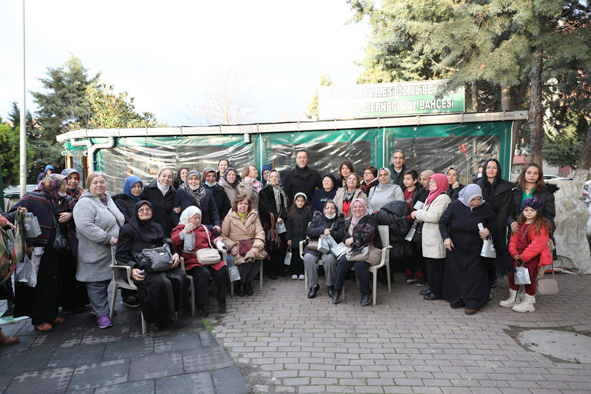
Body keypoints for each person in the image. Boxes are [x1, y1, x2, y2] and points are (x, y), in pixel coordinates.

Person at [11, 174, 77, 332]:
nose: (65, 187)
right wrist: (27, 240)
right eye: (62, 184)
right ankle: (38, 319)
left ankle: (51, 314)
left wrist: (71, 215)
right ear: (53, 185)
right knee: (39, 284)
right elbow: (14, 214)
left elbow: (73, 212)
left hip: (55, 249)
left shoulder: (59, 200)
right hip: (38, 250)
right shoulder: (33, 197)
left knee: (54, 283)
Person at [116, 201, 191, 329]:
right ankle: (159, 320)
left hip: (163, 263)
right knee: (159, 284)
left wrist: (175, 253)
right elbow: (121, 254)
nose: (145, 212)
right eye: (141, 210)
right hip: (143, 267)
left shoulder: (156, 226)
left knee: (181, 278)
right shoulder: (127, 229)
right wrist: (132, 268)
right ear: (136, 212)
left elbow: (166, 242)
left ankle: (175, 314)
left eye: (148, 209)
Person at [73, 172, 125, 329]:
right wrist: (106, 238)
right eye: (95, 182)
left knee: (107, 280)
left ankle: (101, 308)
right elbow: (85, 226)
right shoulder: (84, 204)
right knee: (96, 283)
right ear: (89, 185)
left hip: (112, 250)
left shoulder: (107, 199)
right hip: (95, 250)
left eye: (102, 182)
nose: (99, 185)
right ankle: (102, 314)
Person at [440, 184, 494, 315]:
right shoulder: (455, 205)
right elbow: (443, 222)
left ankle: (473, 301)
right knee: (456, 273)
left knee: (474, 274)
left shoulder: (485, 207)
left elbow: (493, 222)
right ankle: (459, 297)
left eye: (478, 199)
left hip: (476, 246)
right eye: (473, 199)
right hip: (456, 245)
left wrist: (488, 230)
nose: (475, 203)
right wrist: (446, 238)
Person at [172, 206, 229, 317]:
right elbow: (174, 242)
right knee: (203, 274)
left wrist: (216, 241)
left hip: (208, 258)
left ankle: (221, 298)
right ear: (187, 218)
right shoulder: (179, 228)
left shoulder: (204, 228)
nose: (197, 221)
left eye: (199, 218)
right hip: (192, 261)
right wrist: (184, 233)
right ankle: (200, 305)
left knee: (223, 270)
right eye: (194, 218)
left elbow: (211, 240)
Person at [503, 197, 552, 313]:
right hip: (517, 256)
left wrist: (524, 256)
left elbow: (538, 244)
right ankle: (514, 298)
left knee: (530, 278)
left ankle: (528, 302)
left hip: (531, 257)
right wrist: (514, 252)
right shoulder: (520, 224)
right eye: (526, 210)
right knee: (513, 275)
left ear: (538, 211)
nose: (528, 213)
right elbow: (513, 240)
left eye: (532, 210)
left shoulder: (541, 225)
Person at [332, 199, 383, 306]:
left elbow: (368, 235)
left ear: (364, 207)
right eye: (354, 207)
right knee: (342, 261)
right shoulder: (349, 220)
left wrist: (353, 239)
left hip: (370, 249)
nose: (357, 209)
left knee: (360, 265)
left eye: (360, 206)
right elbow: (345, 235)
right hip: (355, 250)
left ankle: (366, 292)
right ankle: (337, 290)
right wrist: (346, 239)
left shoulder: (370, 219)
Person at [475, 158, 514, 294]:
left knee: (492, 255)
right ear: (484, 170)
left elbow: (504, 211)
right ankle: (480, 281)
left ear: (498, 170)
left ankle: (491, 281)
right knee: (478, 254)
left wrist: (492, 228)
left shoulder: (506, 187)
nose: (491, 170)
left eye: (494, 167)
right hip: (479, 224)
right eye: (488, 167)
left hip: (497, 224)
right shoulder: (478, 184)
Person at [411, 174, 451, 301]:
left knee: (436, 266)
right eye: (431, 182)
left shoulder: (443, 198)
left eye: (434, 182)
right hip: (429, 237)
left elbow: (435, 216)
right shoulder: (433, 196)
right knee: (430, 265)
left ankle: (437, 291)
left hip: (436, 237)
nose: (432, 185)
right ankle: (432, 287)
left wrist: (417, 213)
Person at [221, 194, 267, 297]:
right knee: (245, 262)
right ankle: (240, 284)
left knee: (257, 260)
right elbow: (223, 236)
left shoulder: (254, 216)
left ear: (249, 205)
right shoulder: (229, 217)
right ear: (236, 205)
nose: (243, 206)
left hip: (252, 246)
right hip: (237, 248)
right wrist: (232, 246)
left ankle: (247, 283)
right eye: (240, 203)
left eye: (245, 204)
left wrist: (256, 247)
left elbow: (260, 233)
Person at [303, 200, 346, 298]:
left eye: (332, 208)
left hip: (330, 248)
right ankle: (313, 286)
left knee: (330, 259)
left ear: (335, 210)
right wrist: (322, 231)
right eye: (327, 208)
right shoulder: (317, 217)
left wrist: (331, 233)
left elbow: (342, 235)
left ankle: (330, 285)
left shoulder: (339, 220)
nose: (329, 210)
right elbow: (309, 231)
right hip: (315, 246)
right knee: (308, 257)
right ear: (324, 209)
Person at [508, 163, 558, 236]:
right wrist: (511, 222)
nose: (532, 175)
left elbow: (549, 215)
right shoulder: (515, 192)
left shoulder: (546, 193)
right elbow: (509, 212)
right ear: (524, 174)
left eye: (535, 173)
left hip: (538, 232)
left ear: (539, 176)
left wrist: (543, 230)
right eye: (529, 172)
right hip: (518, 232)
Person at [258, 169, 289, 279]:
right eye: (272, 177)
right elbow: (262, 209)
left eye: (276, 177)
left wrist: (283, 219)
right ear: (268, 178)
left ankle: (279, 269)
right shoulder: (264, 192)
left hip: (282, 224)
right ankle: (271, 271)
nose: (274, 178)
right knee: (272, 246)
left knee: (282, 246)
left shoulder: (283, 191)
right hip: (270, 224)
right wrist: (275, 218)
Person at [172, 170, 221, 235]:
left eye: (196, 179)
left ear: (200, 180)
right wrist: (180, 226)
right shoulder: (181, 191)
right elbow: (174, 212)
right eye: (191, 179)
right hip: (186, 230)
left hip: (204, 229)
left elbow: (213, 211)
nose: (193, 181)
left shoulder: (207, 193)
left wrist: (217, 224)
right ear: (187, 180)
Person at [402, 170, 428, 285]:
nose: (405, 181)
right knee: (406, 250)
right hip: (404, 223)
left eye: (408, 179)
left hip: (415, 222)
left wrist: (413, 215)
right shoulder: (402, 190)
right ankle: (409, 274)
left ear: (414, 180)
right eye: (404, 179)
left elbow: (420, 207)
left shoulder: (420, 191)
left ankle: (420, 276)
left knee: (417, 250)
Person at [140, 168, 178, 236]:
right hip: (151, 229)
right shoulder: (148, 190)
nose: (166, 179)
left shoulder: (173, 193)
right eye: (164, 176)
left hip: (168, 230)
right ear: (159, 176)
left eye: (169, 177)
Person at [286, 192, 313, 280]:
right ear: (295, 202)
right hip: (294, 238)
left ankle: (302, 272)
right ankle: (294, 272)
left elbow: (310, 225)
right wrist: (288, 238)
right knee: (294, 256)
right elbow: (289, 227)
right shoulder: (291, 213)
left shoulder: (307, 212)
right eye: (298, 201)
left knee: (302, 256)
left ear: (305, 202)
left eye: (302, 201)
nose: (300, 203)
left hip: (304, 238)